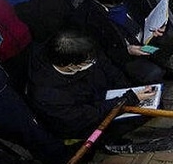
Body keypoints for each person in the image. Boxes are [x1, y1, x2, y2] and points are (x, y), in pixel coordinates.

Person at [26, 28, 155, 141]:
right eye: (88, 62)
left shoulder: (83, 50)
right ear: (70, 65)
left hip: (103, 97)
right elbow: (87, 116)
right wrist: (128, 99)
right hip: (84, 121)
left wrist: (128, 89)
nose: (93, 62)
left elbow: (110, 70)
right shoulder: (47, 93)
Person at [72, 0, 173, 84]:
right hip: (126, 54)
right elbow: (100, 53)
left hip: (147, 37)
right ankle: (148, 75)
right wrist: (127, 50)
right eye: (116, 3)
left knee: (169, 33)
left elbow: (149, 11)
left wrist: (158, 26)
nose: (121, 4)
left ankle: (161, 64)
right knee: (153, 73)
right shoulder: (85, 18)